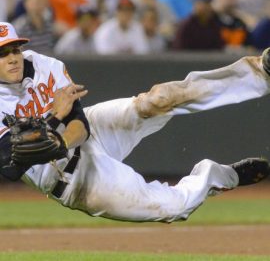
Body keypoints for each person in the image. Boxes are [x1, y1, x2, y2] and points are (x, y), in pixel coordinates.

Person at [0, 21, 270, 223]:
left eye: (15, 48)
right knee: (173, 207)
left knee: (159, 99)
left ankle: (260, 72)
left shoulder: (44, 66)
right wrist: (55, 116)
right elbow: (11, 168)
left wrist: (59, 136)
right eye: (3, 53)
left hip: (91, 134)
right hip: (75, 182)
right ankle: (218, 177)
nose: (13, 57)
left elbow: (79, 126)